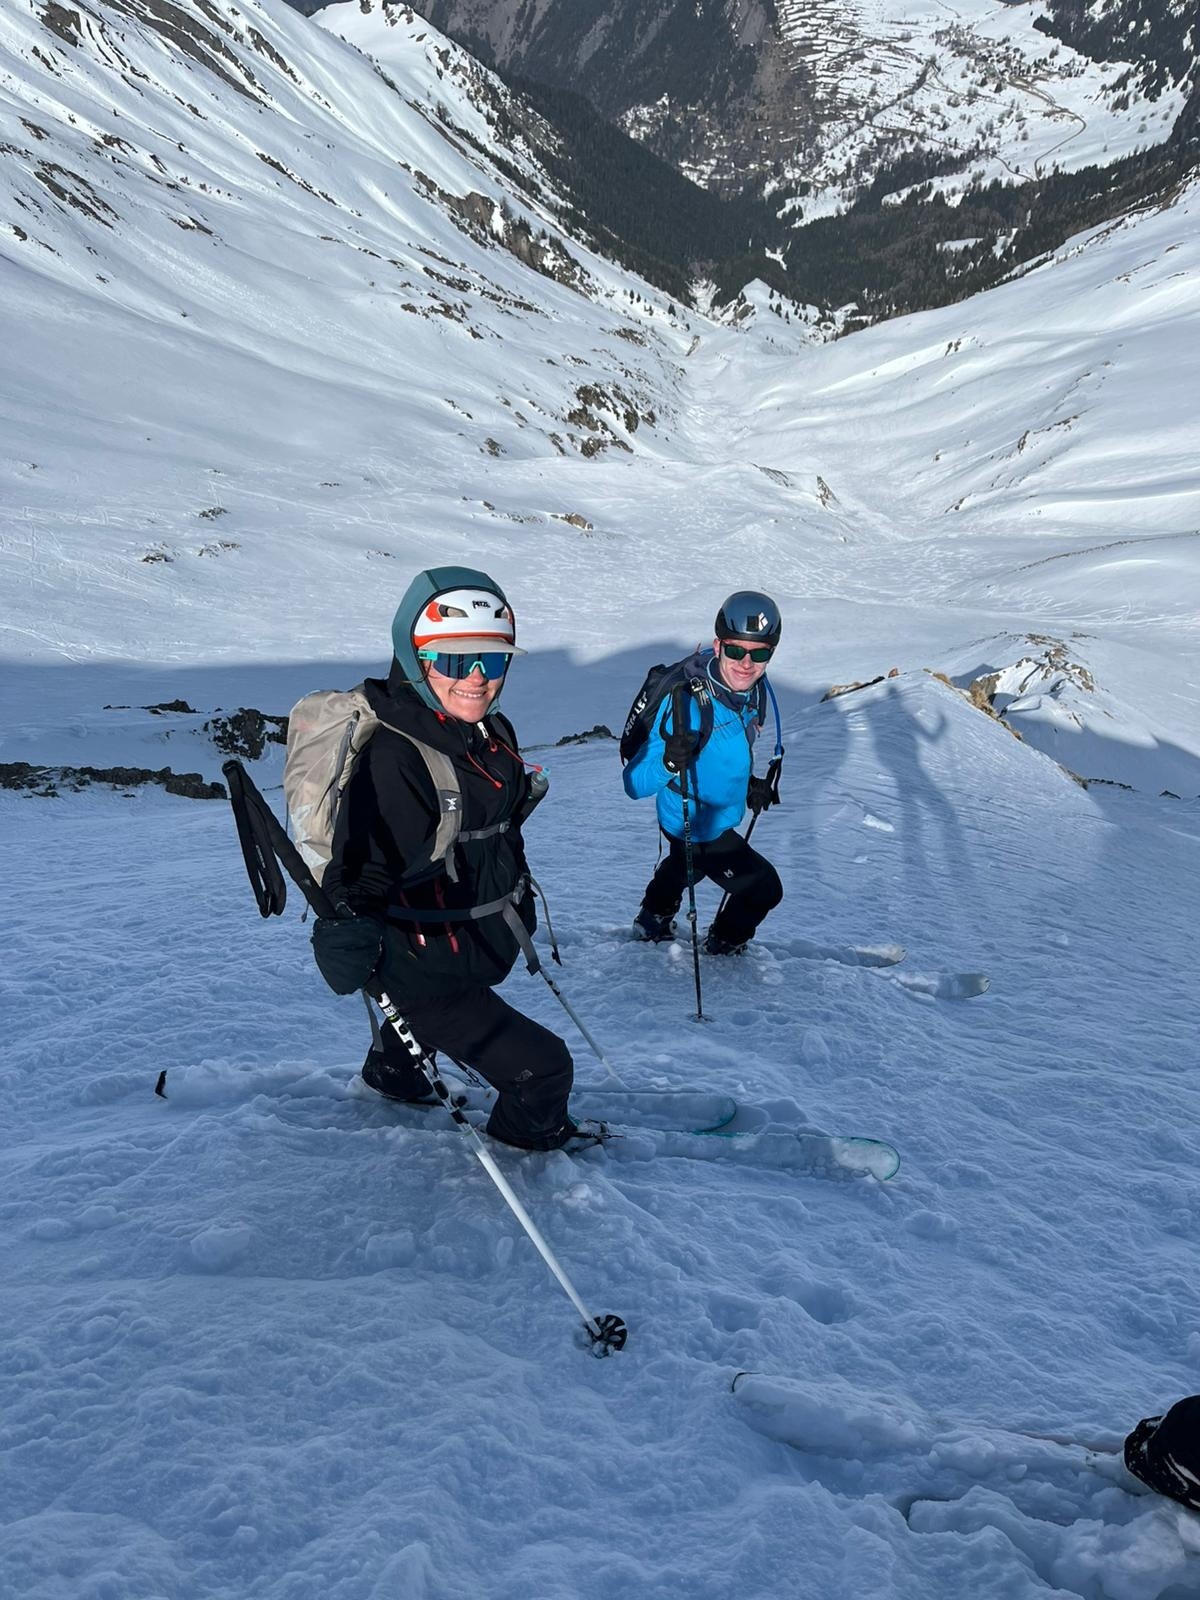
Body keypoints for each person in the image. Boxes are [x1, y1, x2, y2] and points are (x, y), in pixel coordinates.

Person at [308, 565, 582, 1151]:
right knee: (546, 1069)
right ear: (415, 658)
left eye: (493, 659)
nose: (476, 678)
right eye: (455, 660)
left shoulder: (488, 730)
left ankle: (392, 1071)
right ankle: (527, 1153)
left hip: (465, 947)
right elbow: (361, 865)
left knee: (431, 1028)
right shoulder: (395, 755)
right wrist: (345, 923)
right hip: (421, 967)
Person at [623, 591, 784, 955]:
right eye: (736, 650)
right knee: (764, 889)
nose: (747, 662)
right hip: (692, 821)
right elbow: (633, 783)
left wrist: (748, 787)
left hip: (714, 813)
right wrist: (668, 761)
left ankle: (652, 917)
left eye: (759, 653)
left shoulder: (753, 692)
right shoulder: (686, 703)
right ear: (717, 645)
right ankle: (725, 941)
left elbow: (724, 754)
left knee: (686, 865)